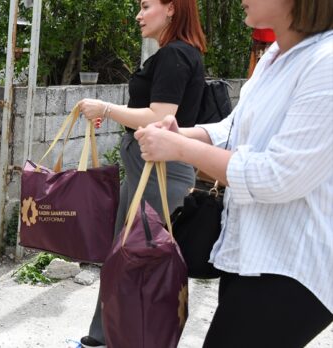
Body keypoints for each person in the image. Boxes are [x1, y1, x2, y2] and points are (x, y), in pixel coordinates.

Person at [135, 0, 333, 346]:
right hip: (251, 249)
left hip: (295, 263)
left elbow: (278, 175)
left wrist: (180, 149)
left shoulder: (325, 62)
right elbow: (234, 127)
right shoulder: (275, 55)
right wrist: (180, 134)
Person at [75, 0, 207, 346]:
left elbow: (159, 115)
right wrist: (119, 113)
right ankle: (102, 337)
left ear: (172, 9)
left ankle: (124, 338)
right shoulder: (174, 54)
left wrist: (106, 107)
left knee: (137, 261)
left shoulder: (176, 55)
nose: (138, 14)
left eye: (146, 5)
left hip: (159, 171)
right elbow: (147, 112)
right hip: (148, 169)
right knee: (125, 257)